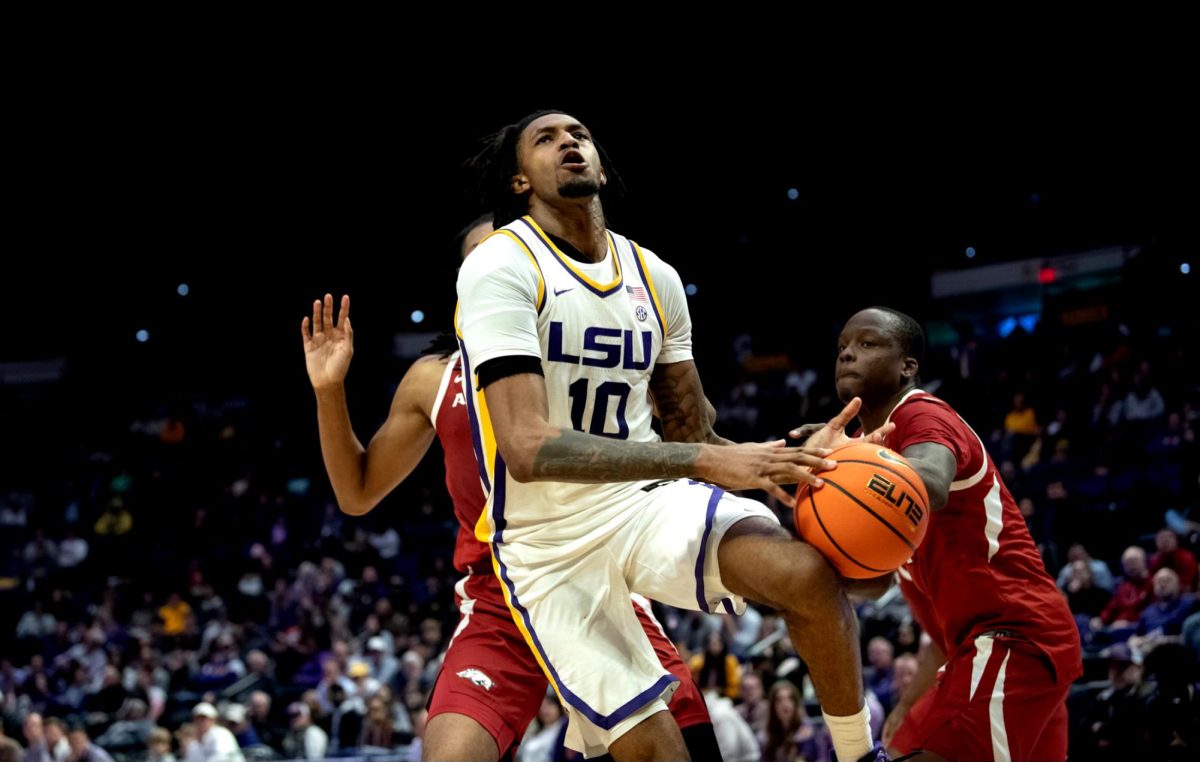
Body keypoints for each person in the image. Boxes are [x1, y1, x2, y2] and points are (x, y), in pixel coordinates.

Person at [455, 110, 893, 761]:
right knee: (661, 752)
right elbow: (527, 448)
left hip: (641, 503)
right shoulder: (499, 266)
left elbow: (693, 427)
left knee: (804, 574)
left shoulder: (653, 276)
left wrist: (785, 463)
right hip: (547, 549)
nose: (568, 142)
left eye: (578, 134)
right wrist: (705, 455)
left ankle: (860, 755)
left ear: (600, 164)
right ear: (521, 180)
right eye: (545, 139)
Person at [301, 214, 718, 761]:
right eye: (486, 258)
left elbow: (689, 433)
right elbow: (356, 494)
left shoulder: (583, 354)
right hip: (498, 597)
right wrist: (329, 391)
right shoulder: (434, 376)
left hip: (591, 579)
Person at [821, 307, 1082, 761]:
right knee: (902, 739)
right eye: (843, 346)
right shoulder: (868, 459)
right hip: (982, 648)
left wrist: (850, 458)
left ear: (908, 366)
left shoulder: (921, 416)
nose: (847, 354)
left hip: (1013, 637)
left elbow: (933, 484)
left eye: (867, 344)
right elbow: (876, 581)